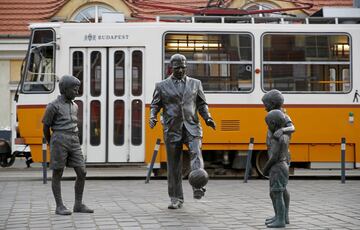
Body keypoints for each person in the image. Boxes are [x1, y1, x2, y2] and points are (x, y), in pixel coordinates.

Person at [149, 54, 216, 209]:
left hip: (192, 126)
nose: (180, 70)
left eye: (183, 67)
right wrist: (152, 116)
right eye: (177, 67)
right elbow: (155, 105)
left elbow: (202, 104)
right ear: (171, 67)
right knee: (174, 166)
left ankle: (198, 187)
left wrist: (208, 118)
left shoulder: (195, 83)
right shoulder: (161, 86)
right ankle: (176, 198)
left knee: (196, 155)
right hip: (172, 128)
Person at [42, 75, 93, 215]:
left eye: (78, 89)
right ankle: (59, 206)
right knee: (58, 172)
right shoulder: (53, 106)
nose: (77, 92)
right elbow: (46, 127)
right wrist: (51, 141)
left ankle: (78, 204)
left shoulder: (75, 106)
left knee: (82, 171)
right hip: (59, 139)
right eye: (74, 89)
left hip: (74, 139)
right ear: (64, 89)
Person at [262, 89, 294, 225]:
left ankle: (281, 218)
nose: (264, 107)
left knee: (277, 191)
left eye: (266, 104)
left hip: (280, 160)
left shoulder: (283, 116)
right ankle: (281, 216)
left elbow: (293, 127)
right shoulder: (276, 115)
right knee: (281, 189)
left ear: (273, 103)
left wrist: (282, 130)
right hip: (282, 158)